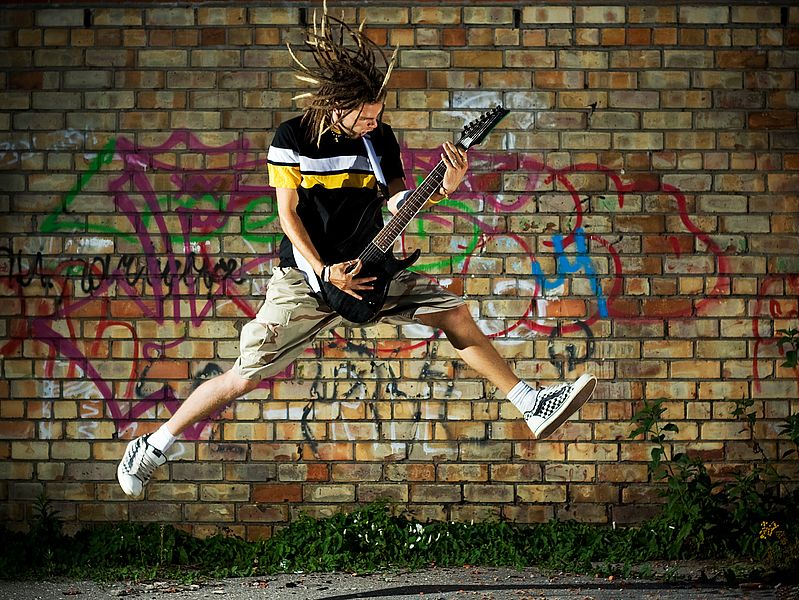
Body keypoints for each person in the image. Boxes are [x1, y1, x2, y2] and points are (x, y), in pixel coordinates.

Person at [117, 8, 596, 499]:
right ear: (335, 105)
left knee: (454, 314)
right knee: (243, 375)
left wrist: (445, 188)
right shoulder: (292, 139)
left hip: (369, 265)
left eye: (378, 112)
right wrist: (324, 271)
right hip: (305, 276)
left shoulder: (378, 139)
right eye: (364, 113)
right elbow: (288, 216)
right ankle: (153, 445)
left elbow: (395, 201)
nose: (374, 120)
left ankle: (530, 402)